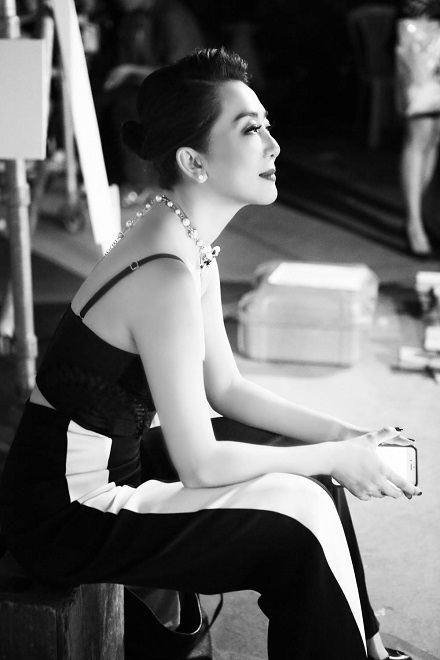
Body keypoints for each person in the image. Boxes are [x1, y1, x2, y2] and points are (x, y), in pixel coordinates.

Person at [0, 47, 420, 660]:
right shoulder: (165, 272)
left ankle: (371, 649)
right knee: (300, 516)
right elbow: (200, 464)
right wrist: (334, 456)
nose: (274, 145)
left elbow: (226, 388)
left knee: (304, 466)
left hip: (115, 462)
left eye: (267, 126)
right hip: (67, 509)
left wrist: (344, 436)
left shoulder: (186, 238)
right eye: (250, 130)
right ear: (193, 161)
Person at [396, 0, 440, 256]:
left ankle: (420, 217)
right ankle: (414, 223)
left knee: (433, 136)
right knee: (420, 133)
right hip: (421, 28)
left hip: (430, 28)